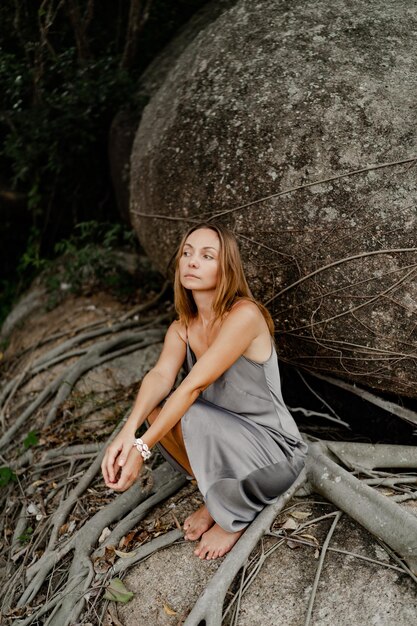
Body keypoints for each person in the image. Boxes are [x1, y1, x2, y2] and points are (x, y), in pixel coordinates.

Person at [101, 223, 307, 561]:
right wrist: (127, 432)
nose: (192, 262)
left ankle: (234, 516)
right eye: (187, 253)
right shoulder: (183, 327)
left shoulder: (244, 315)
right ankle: (217, 499)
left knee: (187, 410)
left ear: (226, 268)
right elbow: (159, 376)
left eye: (207, 256)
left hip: (277, 454)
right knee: (156, 411)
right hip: (228, 439)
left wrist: (141, 448)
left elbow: (192, 385)